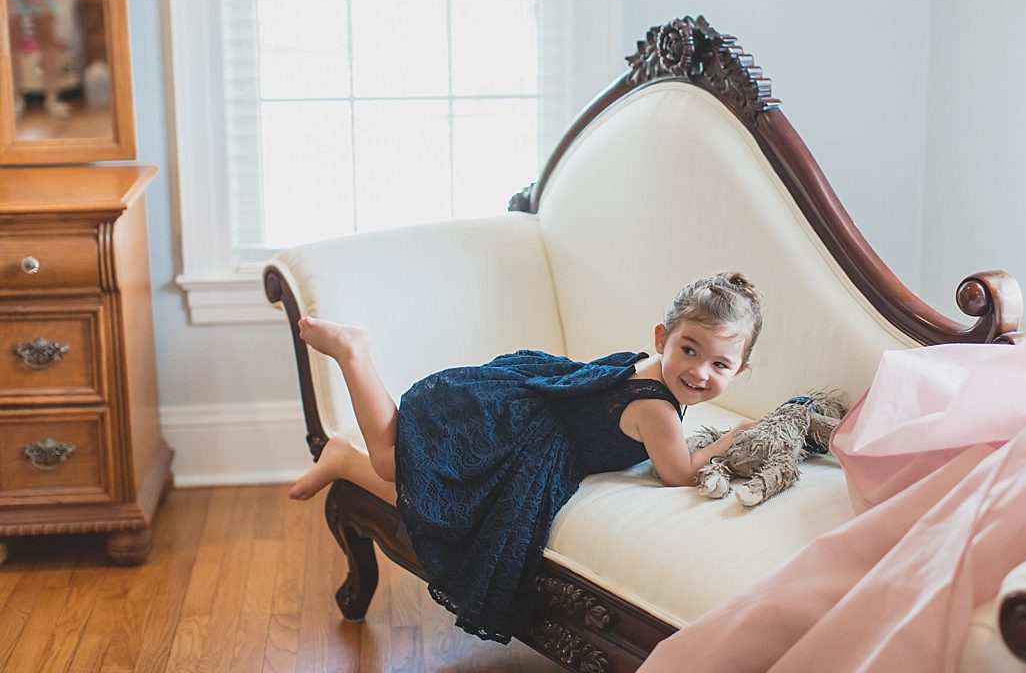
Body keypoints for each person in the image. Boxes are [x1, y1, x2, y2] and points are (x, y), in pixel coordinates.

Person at [288, 271, 765, 643]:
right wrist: (737, 435)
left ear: (740, 370)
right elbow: (679, 474)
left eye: (720, 364)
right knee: (400, 469)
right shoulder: (657, 408)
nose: (700, 372)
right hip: (530, 433)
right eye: (689, 350)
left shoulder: (656, 372)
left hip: (536, 411)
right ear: (662, 339)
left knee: (416, 476)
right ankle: (354, 356)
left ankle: (342, 458)